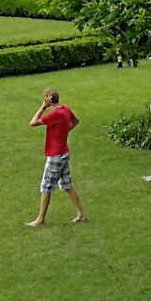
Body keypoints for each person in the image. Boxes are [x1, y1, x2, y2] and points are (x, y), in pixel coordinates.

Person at [27, 88, 85, 226]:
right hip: (64, 153)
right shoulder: (65, 109)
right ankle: (81, 215)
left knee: (46, 186)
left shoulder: (56, 114)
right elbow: (76, 121)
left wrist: (42, 107)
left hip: (56, 156)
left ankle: (40, 219)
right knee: (67, 184)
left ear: (48, 100)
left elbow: (33, 123)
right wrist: (65, 131)